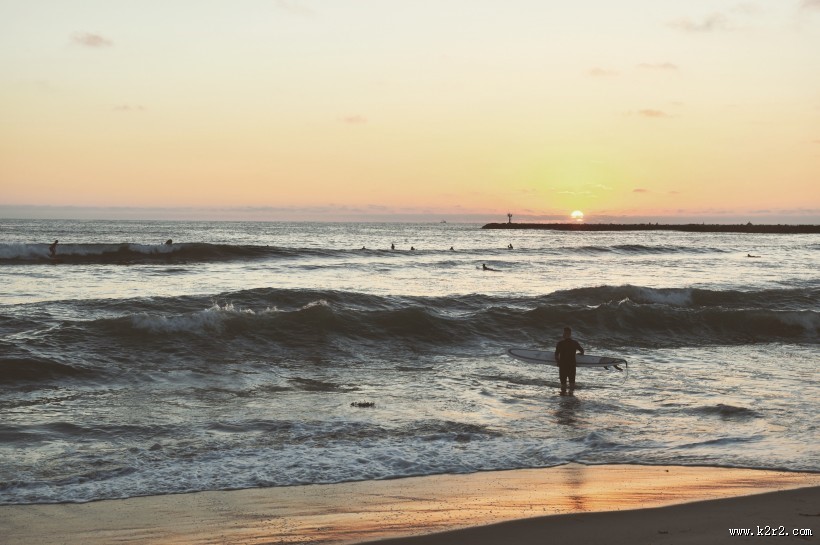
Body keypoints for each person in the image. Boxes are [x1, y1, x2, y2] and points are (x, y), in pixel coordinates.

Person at [554, 327, 584, 396]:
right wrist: (580, 354)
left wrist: (558, 362)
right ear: (570, 334)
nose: (563, 334)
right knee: (572, 384)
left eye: (564, 333)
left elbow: (556, 355)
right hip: (572, 366)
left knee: (563, 385)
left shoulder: (560, 343)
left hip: (563, 366)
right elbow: (582, 351)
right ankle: (571, 398)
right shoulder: (575, 343)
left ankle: (563, 400)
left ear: (565, 334)